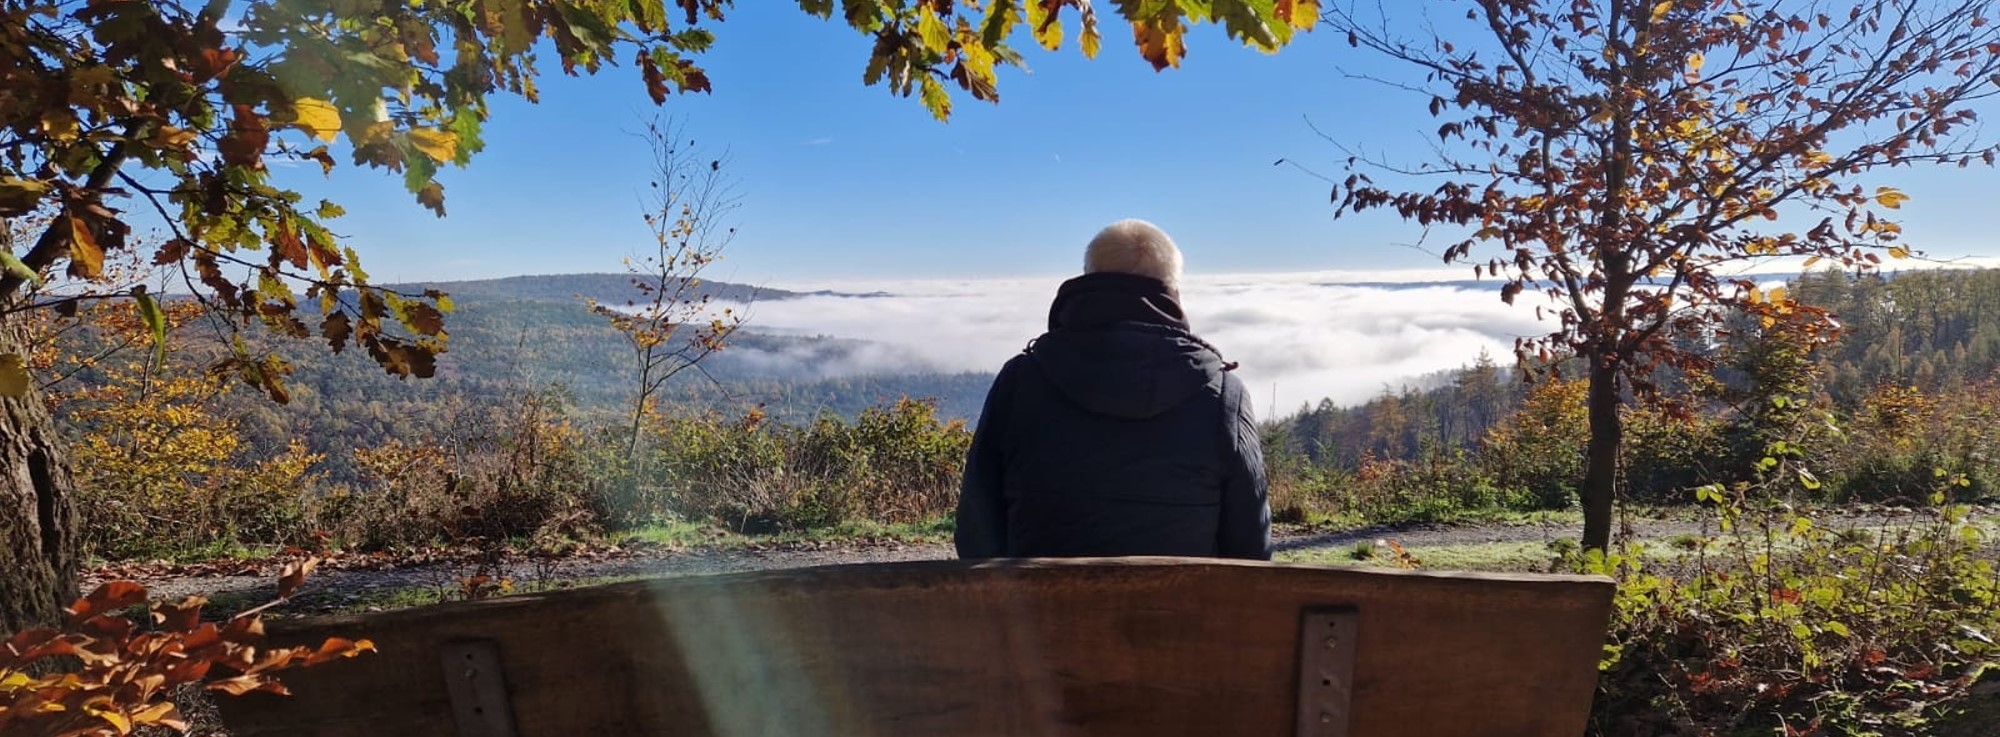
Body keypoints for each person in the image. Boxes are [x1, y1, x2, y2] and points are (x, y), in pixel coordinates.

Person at [953, 219, 1272, 560]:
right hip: (1183, 612)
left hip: (1040, 612)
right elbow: (1252, 547)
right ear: (1173, 291)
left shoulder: (1020, 381)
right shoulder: (1223, 395)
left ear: (1088, 279)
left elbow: (976, 529)